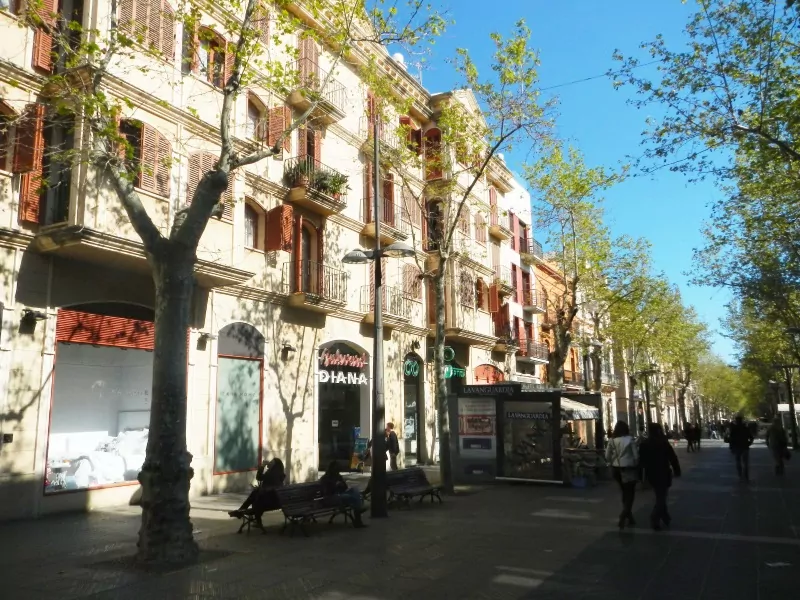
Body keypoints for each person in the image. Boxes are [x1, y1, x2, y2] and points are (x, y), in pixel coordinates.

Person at [640, 423, 681, 531]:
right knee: (661, 497)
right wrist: (677, 470)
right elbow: (673, 457)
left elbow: (641, 461)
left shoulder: (644, 443)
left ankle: (665, 516)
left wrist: (641, 476)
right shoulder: (663, 443)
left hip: (651, 474)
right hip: (663, 472)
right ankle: (655, 518)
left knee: (660, 495)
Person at [228, 458, 286, 526]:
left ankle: (241, 512)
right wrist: (259, 489)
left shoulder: (271, 474)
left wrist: (263, 466)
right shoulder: (279, 473)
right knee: (255, 494)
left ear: (275, 465)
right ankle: (241, 512)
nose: (269, 462)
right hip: (276, 500)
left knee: (256, 498)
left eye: (271, 462)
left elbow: (259, 477)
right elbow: (270, 487)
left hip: (269, 501)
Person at [605, 421, 640, 530]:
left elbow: (607, 455)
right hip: (628, 468)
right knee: (630, 492)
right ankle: (624, 514)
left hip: (617, 469)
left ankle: (629, 516)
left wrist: (611, 462)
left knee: (624, 491)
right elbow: (636, 456)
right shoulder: (630, 440)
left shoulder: (612, 441)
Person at [320, 461, 367, 527]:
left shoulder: (338, 476)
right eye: (336, 470)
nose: (337, 472)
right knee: (351, 498)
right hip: (331, 497)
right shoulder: (325, 479)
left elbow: (345, 488)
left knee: (354, 490)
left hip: (340, 494)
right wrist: (335, 485)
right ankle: (358, 516)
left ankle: (358, 510)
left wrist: (342, 484)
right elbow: (326, 492)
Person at [729, 414, 754, 481]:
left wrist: (731, 447)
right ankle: (746, 475)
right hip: (745, 447)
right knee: (745, 462)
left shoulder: (734, 429)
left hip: (737, 447)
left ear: (736, 421)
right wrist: (749, 444)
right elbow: (751, 437)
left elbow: (731, 439)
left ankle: (740, 475)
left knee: (738, 461)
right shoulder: (745, 428)